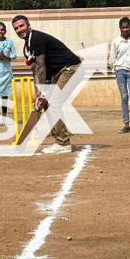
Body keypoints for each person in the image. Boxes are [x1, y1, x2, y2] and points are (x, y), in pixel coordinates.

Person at [12, 14, 81, 154]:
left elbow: (41, 67)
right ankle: (59, 141)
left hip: (71, 69)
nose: (19, 30)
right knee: (47, 103)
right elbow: (35, 71)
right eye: (16, 28)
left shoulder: (36, 39)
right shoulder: (27, 48)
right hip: (57, 73)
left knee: (53, 102)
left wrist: (42, 93)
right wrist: (37, 95)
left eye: (21, 26)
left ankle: (63, 143)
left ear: (29, 26)